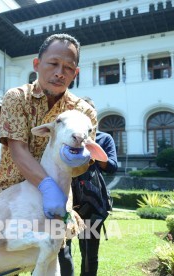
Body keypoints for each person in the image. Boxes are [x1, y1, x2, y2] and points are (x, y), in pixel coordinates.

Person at [0, 33, 97, 220]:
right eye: (53, 63)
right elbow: (18, 150)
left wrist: (80, 161)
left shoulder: (85, 112)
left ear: (76, 73)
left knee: (56, 249)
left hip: (56, 206)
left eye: (68, 68)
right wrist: (47, 187)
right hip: (9, 200)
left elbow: (85, 164)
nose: (59, 73)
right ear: (36, 64)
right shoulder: (17, 97)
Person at [58, 97, 118, 276]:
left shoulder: (104, 138)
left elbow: (113, 167)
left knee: (89, 253)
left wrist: (93, 149)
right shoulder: (65, 136)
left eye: (90, 113)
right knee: (62, 249)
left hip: (91, 201)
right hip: (64, 199)